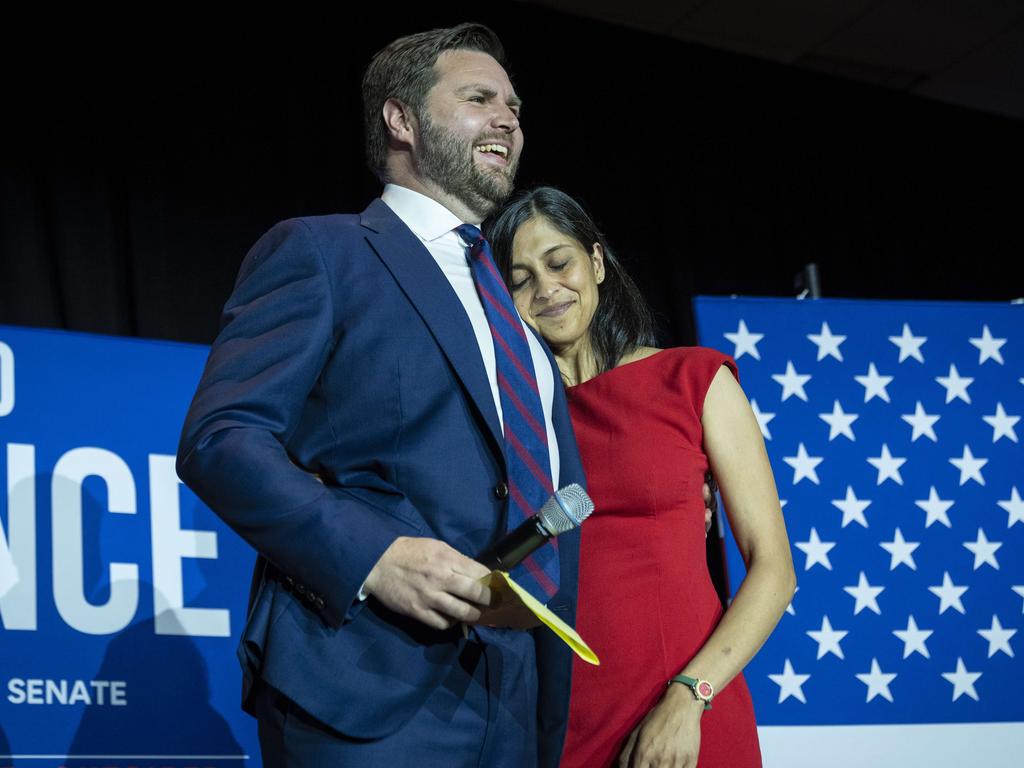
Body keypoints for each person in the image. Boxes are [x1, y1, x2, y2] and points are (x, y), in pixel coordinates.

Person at [176, 24, 587, 767]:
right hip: (364, 688)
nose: (508, 120)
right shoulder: (323, 253)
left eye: (515, 107)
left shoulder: (520, 319)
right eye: (478, 98)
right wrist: (377, 557)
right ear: (401, 120)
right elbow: (222, 438)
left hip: (514, 708)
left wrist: (548, 713)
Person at [485, 187, 796, 768]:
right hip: (553, 723)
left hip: (686, 711)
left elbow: (775, 569)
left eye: (559, 263)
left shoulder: (693, 379)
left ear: (597, 264)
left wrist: (691, 696)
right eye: (521, 279)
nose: (547, 288)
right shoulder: (509, 422)